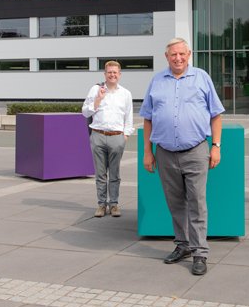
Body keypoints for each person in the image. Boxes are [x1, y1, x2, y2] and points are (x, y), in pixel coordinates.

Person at [140, 38, 224, 276]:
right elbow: (148, 117)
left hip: (196, 151)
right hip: (165, 153)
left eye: (182, 54)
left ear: (189, 55)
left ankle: (200, 253)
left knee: (197, 203)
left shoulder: (202, 78)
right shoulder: (157, 81)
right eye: (173, 54)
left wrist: (216, 146)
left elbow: (216, 115)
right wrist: (148, 151)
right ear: (166, 57)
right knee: (175, 203)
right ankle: (183, 245)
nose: (178, 58)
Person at [82, 61, 134, 218]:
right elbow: (85, 112)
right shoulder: (96, 89)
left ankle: (114, 204)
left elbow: (128, 117)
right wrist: (97, 100)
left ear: (119, 75)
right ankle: (101, 204)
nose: (112, 75)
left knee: (115, 174)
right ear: (105, 74)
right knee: (100, 174)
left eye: (115, 72)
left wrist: (125, 136)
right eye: (109, 72)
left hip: (116, 137)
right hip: (98, 135)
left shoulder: (126, 94)